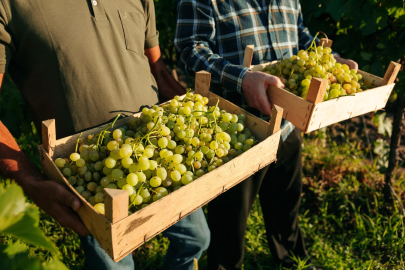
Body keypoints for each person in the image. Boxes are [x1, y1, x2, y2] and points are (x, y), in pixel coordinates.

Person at [0, 0, 209, 269]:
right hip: (92, 182)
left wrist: (200, 117)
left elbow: (156, 70)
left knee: (196, 239)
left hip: (162, 159)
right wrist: (30, 182)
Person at [175, 0, 357, 269]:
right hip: (235, 131)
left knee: (286, 205)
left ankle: (293, 261)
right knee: (230, 219)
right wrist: (242, 79)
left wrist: (330, 59)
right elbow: (191, 49)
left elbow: (301, 35)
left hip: (286, 122)